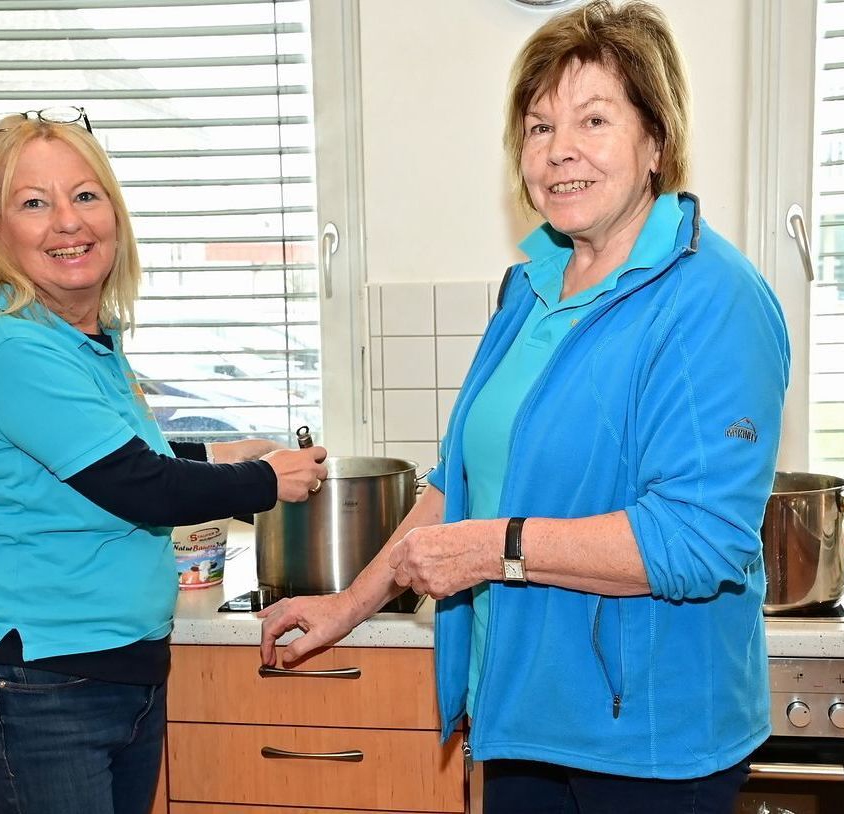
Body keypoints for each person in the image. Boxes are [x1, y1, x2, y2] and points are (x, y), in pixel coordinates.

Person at [259, 3, 789, 812]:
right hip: (521, 716)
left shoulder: (712, 300)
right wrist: (349, 603)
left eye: (593, 119)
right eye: (538, 127)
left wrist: (495, 550)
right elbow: (456, 485)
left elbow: (698, 540)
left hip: (646, 741)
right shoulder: (528, 289)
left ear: (655, 141)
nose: (559, 150)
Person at [0, 107, 328, 814]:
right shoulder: (9, 348)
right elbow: (138, 488)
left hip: (115, 671)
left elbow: (98, 458)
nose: (68, 221)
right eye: (33, 203)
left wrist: (217, 453)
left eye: (85, 195)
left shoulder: (84, 339)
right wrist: (266, 480)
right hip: (37, 682)